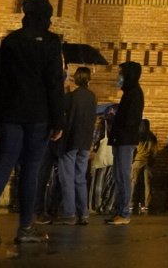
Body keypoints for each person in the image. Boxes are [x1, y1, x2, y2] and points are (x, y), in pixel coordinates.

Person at [0, 0, 65, 245]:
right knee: (31, 170)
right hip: (38, 116)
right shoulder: (50, 42)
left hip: (10, 114)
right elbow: (54, 83)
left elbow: (0, 80)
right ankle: (26, 227)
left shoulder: (12, 41)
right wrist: (58, 120)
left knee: (4, 163)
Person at [102, 60, 143, 224]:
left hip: (125, 140)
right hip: (120, 139)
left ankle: (124, 213)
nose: (118, 76)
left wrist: (114, 118)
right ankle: (119, 210)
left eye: (121, 73)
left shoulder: (134, 93)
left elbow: (131, 120)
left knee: (124, 176)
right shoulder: (129, 93)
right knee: (118, 176)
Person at [54, 67, 96, 224]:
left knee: (67, 178)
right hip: (85, 142)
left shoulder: (71, 97)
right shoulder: (92, 97)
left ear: (76, 78)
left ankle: (69, 213)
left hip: (70, 141)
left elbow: (61, 112)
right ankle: (83, 213)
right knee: (80, 178)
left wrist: (65, 91)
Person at [132, 118, 157, 214]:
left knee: (133, 182)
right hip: (147, 161)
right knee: (148, 184)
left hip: (137, 161)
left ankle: (131, 202)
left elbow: (134, 149)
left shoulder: (137, 136)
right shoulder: (152, 136)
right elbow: (154, 152)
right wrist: (152, 162)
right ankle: (147, 204)